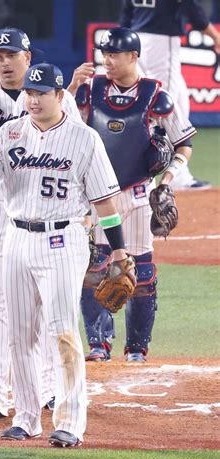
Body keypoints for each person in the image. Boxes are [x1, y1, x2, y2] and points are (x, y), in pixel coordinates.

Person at [0, 62, 133, 446]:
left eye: (42, 92)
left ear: (61, 96)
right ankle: (26, 417)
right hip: (16, 239)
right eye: (30, 92)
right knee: (19, 334)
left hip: (62, 240)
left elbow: (106, 203)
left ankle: (71, 422)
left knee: (62, 331)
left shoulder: (83, 139)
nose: (34, 98)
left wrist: (120, 251)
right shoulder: (8, 133)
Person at [0, 27, 83, 424]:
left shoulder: (59, 101)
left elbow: (78, 151)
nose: (5, 63)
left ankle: (47, 386)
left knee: (44, 304)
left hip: (45, 213)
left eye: (12, 55)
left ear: (28, 57)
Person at [68, 27, 197, 362]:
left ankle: (137, 347)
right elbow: (65, 128)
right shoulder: (90, 92)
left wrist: (167, 180)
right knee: (95, 268)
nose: (106, 61)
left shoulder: (157, 97)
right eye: (104, 54)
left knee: (140, 272)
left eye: (114, 55)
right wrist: (70, 88)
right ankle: (99, 343)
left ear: (133, 56)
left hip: (138, 194)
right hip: (97, 195)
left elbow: (184, 143)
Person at [119, 0, 220, 191]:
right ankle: (163, 174)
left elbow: (126, 12)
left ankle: (178, 172)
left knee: (179, 100)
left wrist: (125, 42)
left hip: (137, 38)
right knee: (166, 107)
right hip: (162, 39)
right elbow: (192, 8)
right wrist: (215, 36)